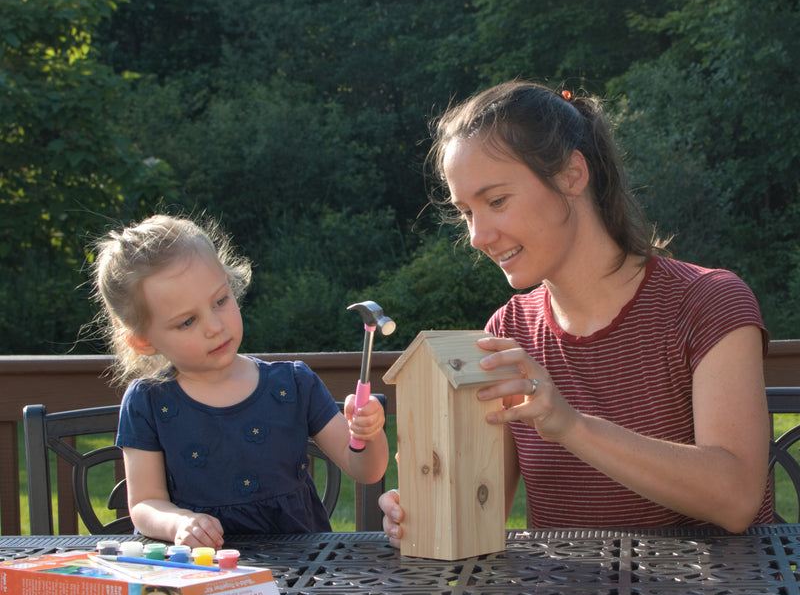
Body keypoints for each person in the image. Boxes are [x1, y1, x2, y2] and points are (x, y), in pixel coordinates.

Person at [380, 80, 772, 541]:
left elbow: (737, 498)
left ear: (571, 175)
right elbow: (478, 509)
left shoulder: (707, 302)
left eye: (497, 201)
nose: (478, 236)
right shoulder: (507, 330)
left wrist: (571, 426)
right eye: (466, 212)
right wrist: (424, 503)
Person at [92, 214, 388, 548]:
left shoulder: (291, 385)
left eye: (221, 300)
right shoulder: (148, 401)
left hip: (301, 575)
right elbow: (145, 504)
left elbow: (366, 471)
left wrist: (369, 434)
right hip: (200, 576)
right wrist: (178, 523)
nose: (215, 326)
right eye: (187, 321)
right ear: (143, 341)